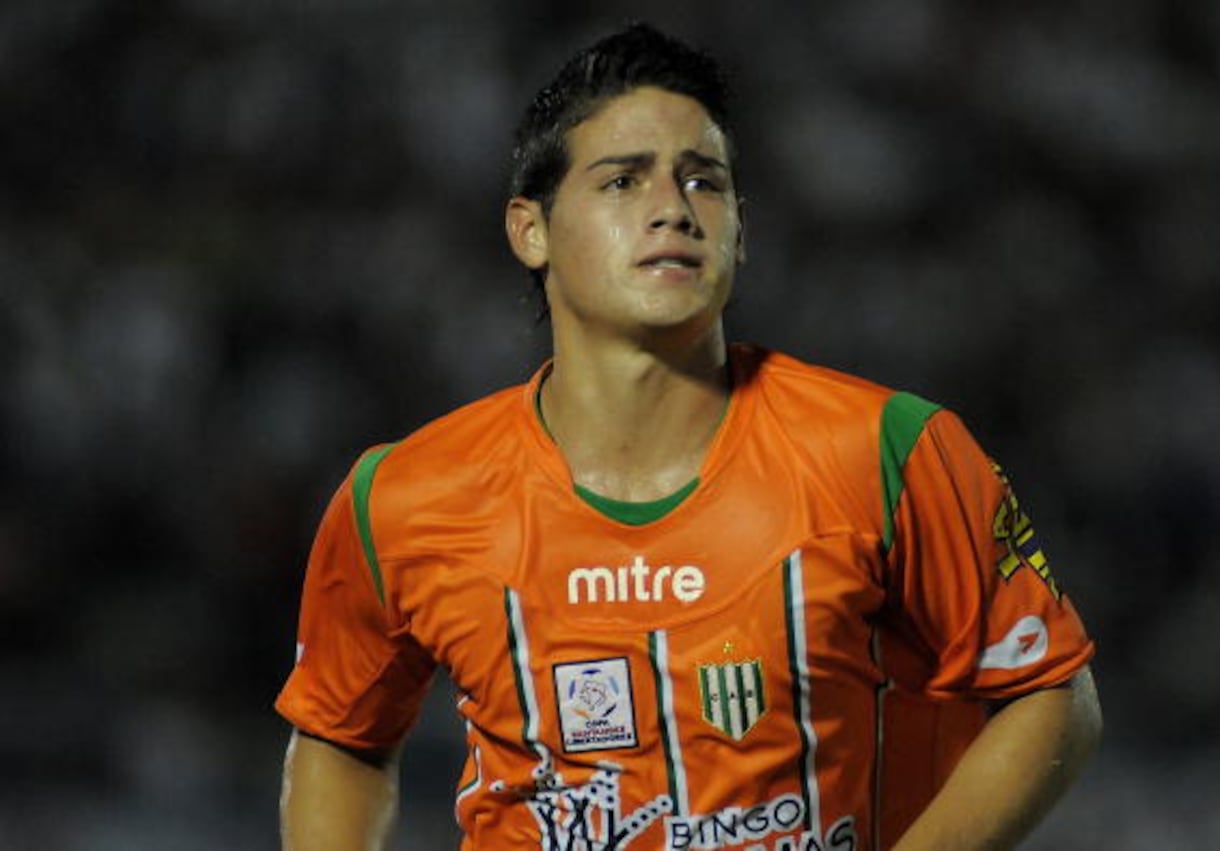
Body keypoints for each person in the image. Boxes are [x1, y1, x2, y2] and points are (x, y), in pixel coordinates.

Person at [276, 22, 1101, 851]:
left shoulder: (888, 450)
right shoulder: (404, 496)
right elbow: (341, 736)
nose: (673, 207)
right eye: (624, 181)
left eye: (703, 181)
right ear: (530, 229)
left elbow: (1050, 694)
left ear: (741, 228)